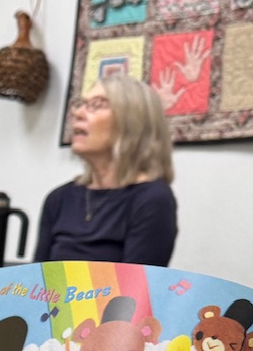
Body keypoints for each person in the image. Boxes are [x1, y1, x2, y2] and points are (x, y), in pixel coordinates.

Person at [34, 74, 178, 265]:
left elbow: (136, 284)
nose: (78, 114)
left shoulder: (152, 199)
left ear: (131, 122)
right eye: (80, 104)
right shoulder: (59, 199)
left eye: (97, 105)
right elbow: (36, 279)